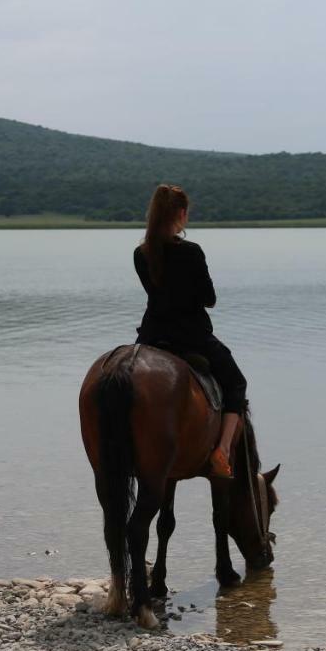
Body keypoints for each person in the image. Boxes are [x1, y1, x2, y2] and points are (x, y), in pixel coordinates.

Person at [133, 183, 246, 478]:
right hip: (190, 337)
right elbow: (209, 299)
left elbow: (156, 294)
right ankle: (221, 452)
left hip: (151, 336)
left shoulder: (140, 253)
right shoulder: (192, 252)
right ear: (181, 214)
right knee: (236, 383)